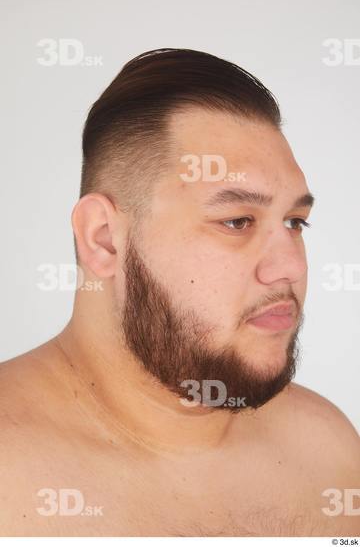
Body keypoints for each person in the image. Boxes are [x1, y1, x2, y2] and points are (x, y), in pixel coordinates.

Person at [1, 48, 359, 537]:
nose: (291, 267)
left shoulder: (328, 453)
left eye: (296, 222)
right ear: (103, 238)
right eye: (237, 221)